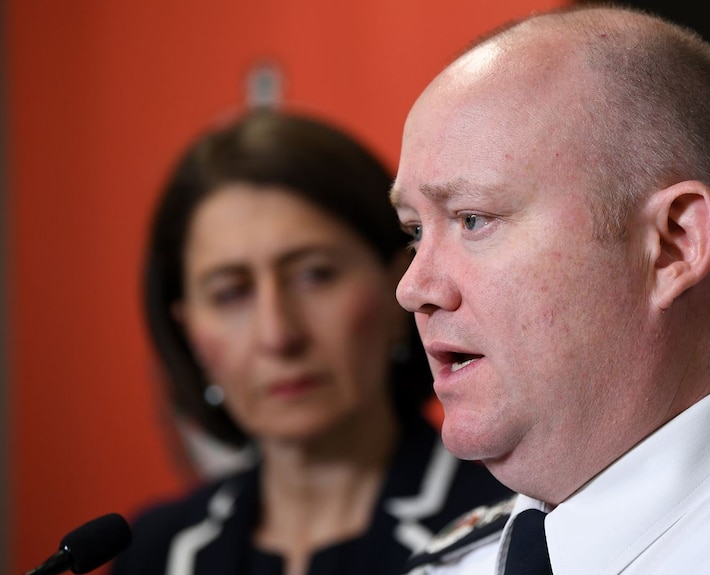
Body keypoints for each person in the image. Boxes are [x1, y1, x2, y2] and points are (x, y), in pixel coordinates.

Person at [391, 5, 710, 574]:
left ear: (672, 244)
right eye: (415, 231)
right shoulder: (454, 563)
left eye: (472, 219)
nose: (414, 288)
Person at [110, 108, 511, 575]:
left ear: (397, 284)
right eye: (231, 293)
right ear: (190, 335)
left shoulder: (509, 529)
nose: (278, 335)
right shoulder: (157, 553)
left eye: (314, 275)